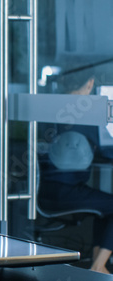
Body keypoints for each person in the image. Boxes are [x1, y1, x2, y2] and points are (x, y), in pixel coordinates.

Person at [38, 76, 113, 274]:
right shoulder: (85, 115)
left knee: (107, 208)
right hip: (69, 193)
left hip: (41, 191)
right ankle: (98, 265)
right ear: (89, 83)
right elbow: (106, 151)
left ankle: (98, 263)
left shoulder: (46, 110)